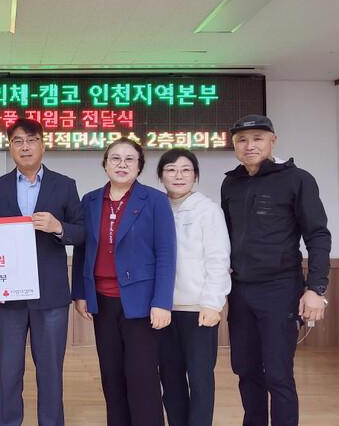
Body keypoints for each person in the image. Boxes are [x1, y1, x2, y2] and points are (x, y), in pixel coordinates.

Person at [222, 114, 331, 426]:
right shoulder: (231, 183)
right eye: (242, 140)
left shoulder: (297, 179)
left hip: (280, 290)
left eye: (257, 138)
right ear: (234, 146)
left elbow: (318, 235)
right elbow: (225, 237)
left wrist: (316, 288)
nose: (249, 145)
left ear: (273, 140)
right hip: (240, 291)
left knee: (278, 374)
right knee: (246, 370)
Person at [0, 118, 84, 426]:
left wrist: (58, 227)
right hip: (7, 297)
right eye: (18, 141)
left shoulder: (65, 185)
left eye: (32, 140)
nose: (25, 147)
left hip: (50, 297)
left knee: (50, 372)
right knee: (7, 372)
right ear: (10, 147)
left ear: (43, 145)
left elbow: (82, 233)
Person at [71, 137, 176, 426]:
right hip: (102, 302)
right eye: (115, 158)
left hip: (141, 304)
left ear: (139, 166)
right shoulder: (91, 200)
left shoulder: (155, 200)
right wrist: (80, 292)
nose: (122, 164)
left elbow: (167, 253)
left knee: (142, 378)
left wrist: (162, 302)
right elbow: (82, 248)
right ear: (105, 164)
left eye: (130, 159)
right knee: (112, 376)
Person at [156, 148, 231, 426]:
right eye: (171, 169)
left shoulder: (207, 210)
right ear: (161, 176)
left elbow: (218, 258)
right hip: (163, 310)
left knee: (200, 380)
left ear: (195, 176)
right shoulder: (156, 207)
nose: (178, 175)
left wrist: (213, 303)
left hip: (198, 310)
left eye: (186, 170)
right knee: (170, 379)